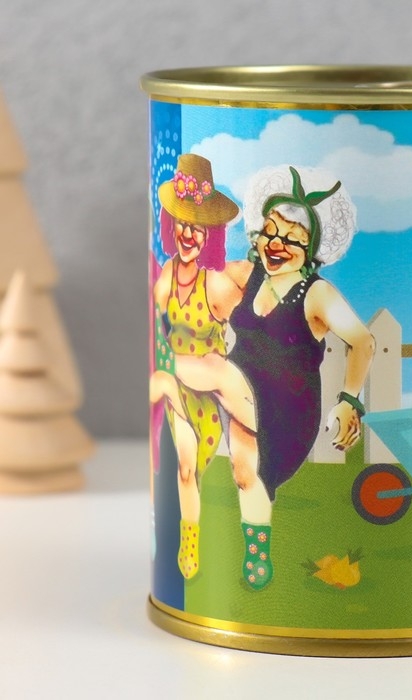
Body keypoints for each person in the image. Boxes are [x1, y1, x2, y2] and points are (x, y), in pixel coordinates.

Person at [171, 165, 375, 590]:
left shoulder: (316, 293)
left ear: (311, 248)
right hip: (241, 393)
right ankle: (257, 555)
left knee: (214, 374)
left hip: (288, 408)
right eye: (270, 232)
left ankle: (172, 371)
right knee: (245, 472)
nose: (277, 245)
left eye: (292, 239)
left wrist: (349, 401)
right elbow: (207, 279)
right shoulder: (249, 277)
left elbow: (363, 341)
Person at [150, 153, 258, 580]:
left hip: (208, 389)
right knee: (185, 469)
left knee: (240, 459)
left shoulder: (215, 281)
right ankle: (189, 543)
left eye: (198, 227)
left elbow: (255, 290)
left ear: (210, 234)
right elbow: (157, 330)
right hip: (180, 388)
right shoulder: (165, 278)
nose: (188, 234)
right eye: (182, 223)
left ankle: (255, 532)